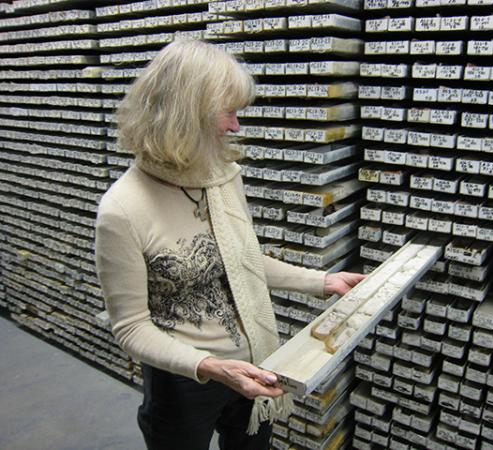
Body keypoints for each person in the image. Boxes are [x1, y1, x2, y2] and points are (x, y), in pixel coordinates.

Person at [94, 38, 366, 450]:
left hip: (256, 359)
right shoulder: (122, 210)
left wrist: (323, 282)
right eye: (228, 112)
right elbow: (131, 327)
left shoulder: (222, 176)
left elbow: (240, 261)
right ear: (187, 116)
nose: (236, 126)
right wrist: (209, 366)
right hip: (184, 378)